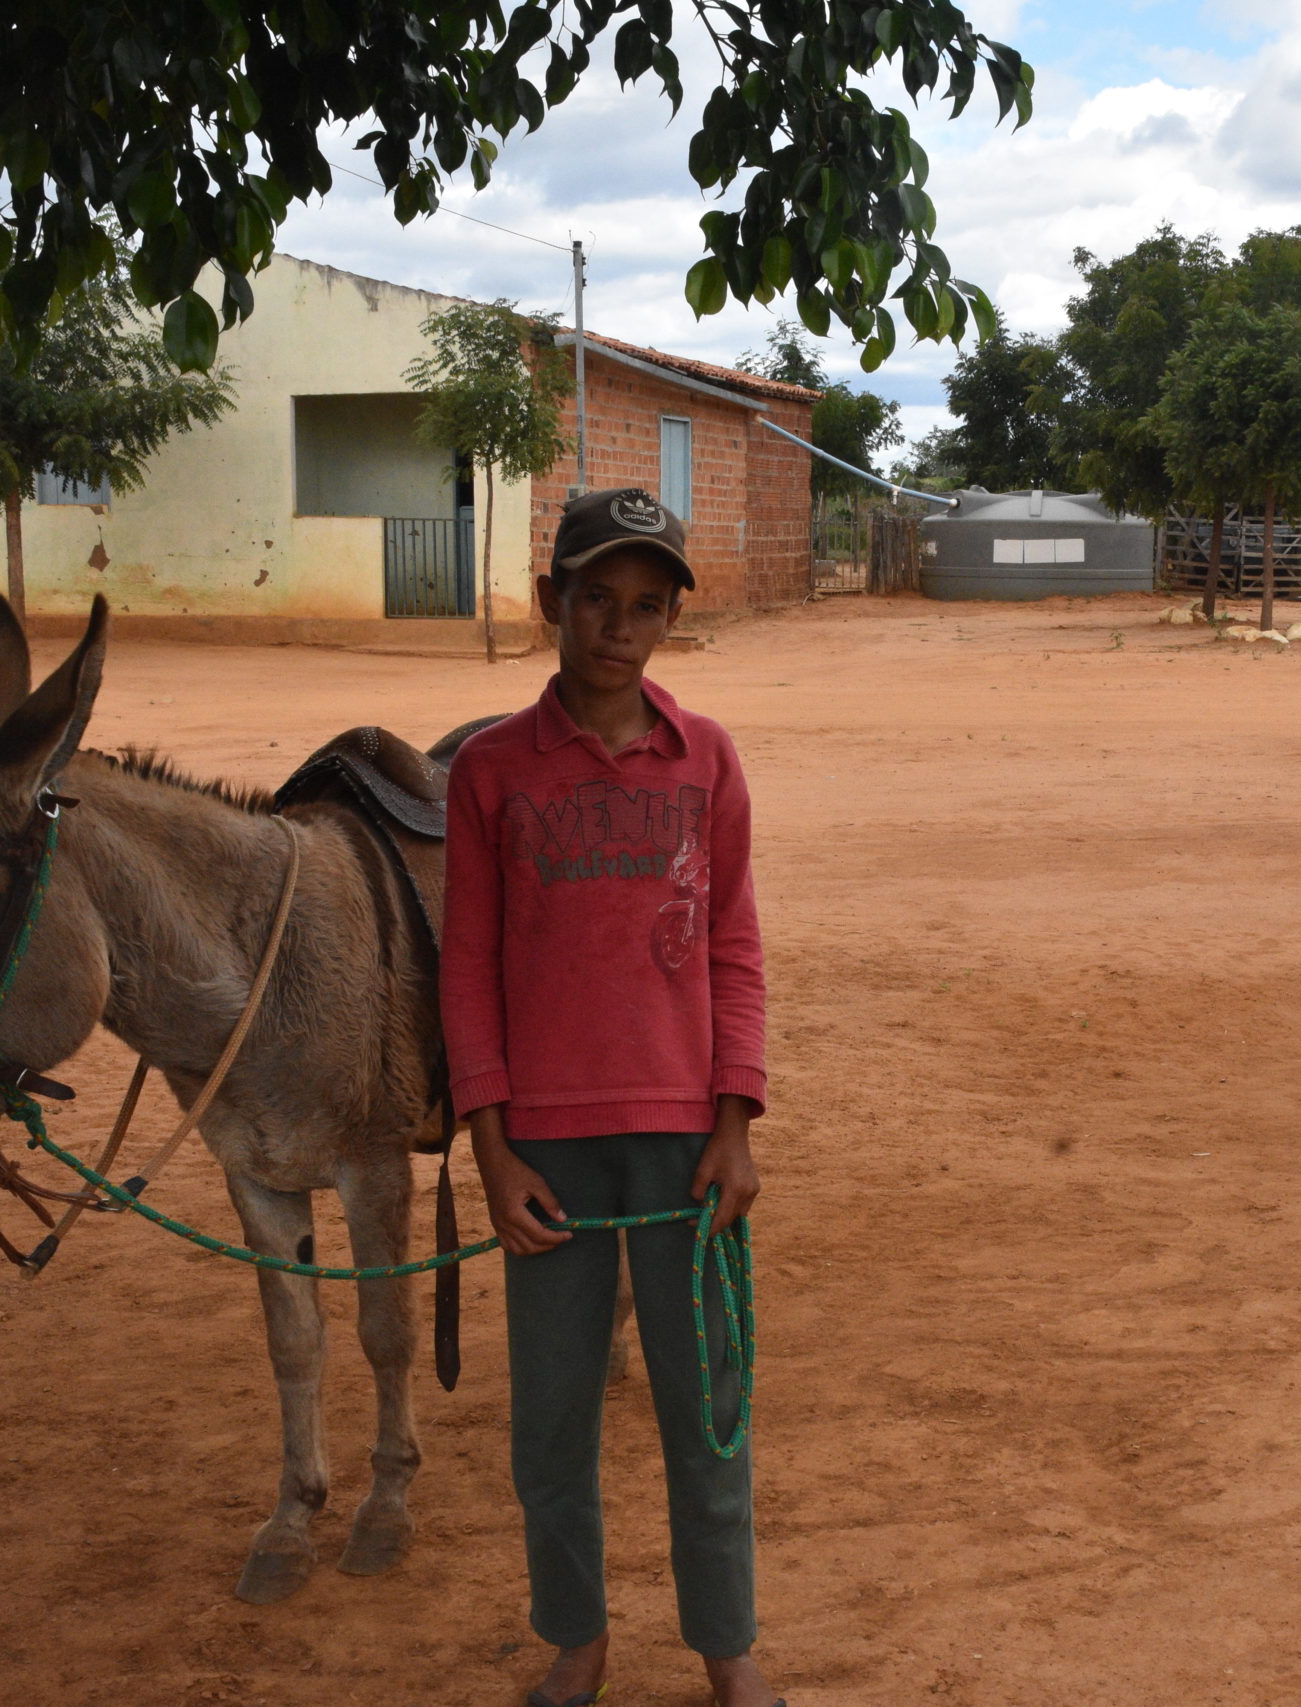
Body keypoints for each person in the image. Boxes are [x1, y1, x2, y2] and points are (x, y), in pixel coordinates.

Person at [443, 487, 781, 1707]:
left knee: (709, 1414)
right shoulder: (490, 772)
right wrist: (491, 1148)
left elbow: (733, 947)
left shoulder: (707, 762)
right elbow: (467, 966)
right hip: (546, 1154)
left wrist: (735, 1121)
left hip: (689, 1147)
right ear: (553, 604)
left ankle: (726, 1649)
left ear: (668, 621)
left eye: (647, 606)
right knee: (551, 1427)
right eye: (597, 599)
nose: (620, 628)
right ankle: (575, 1639)